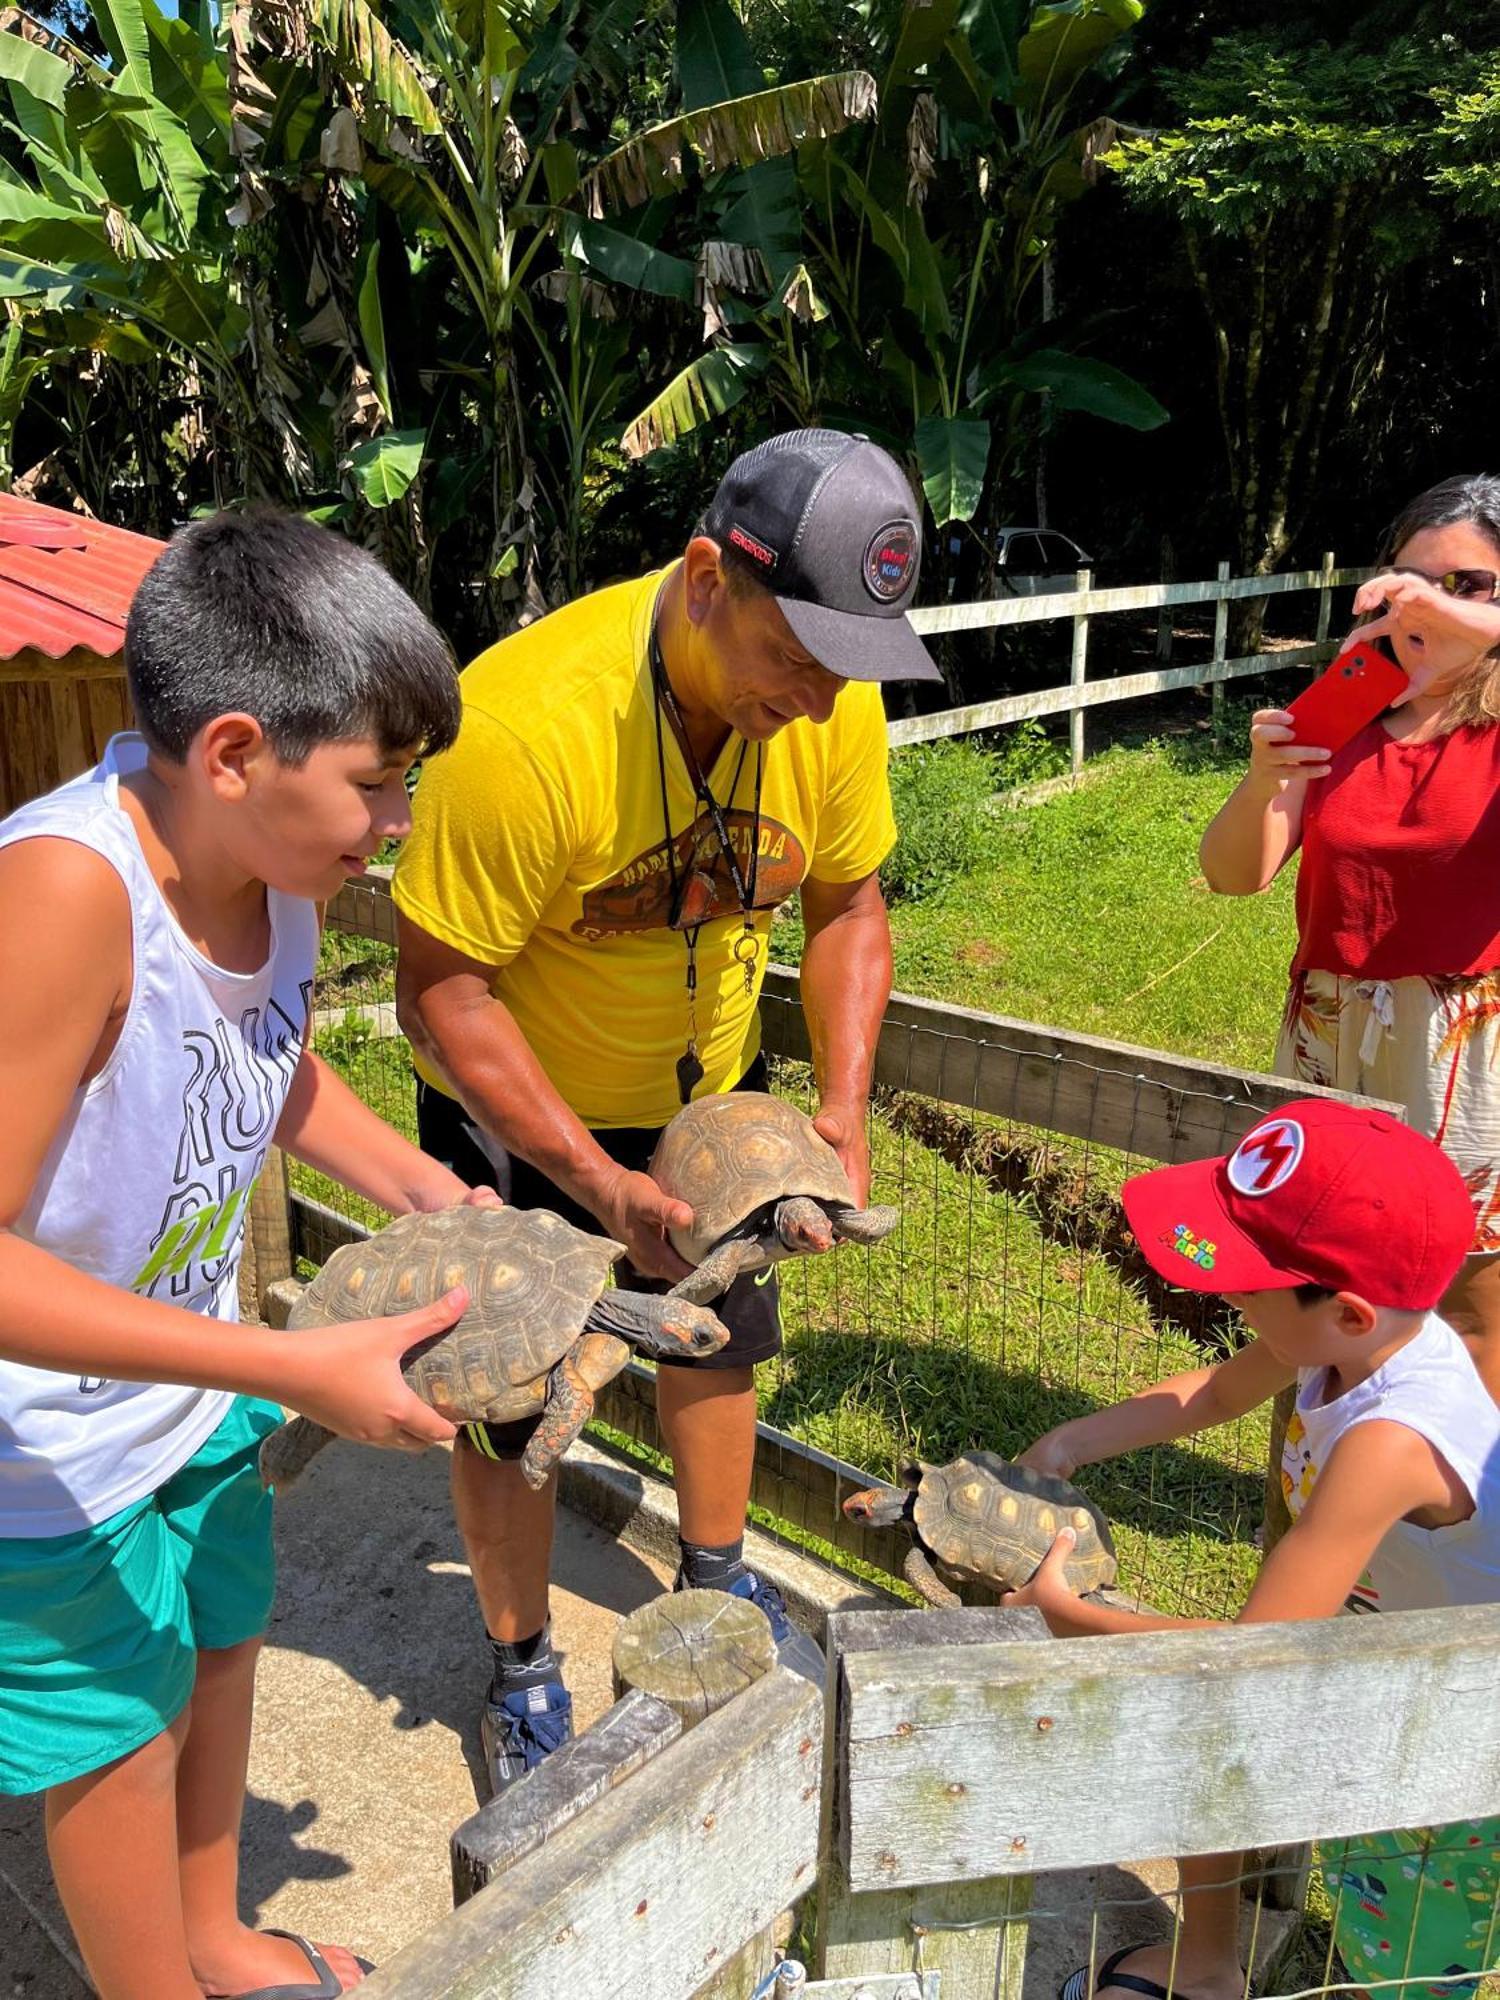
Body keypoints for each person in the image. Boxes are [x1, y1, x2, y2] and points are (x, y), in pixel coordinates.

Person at [392, 428, 941, 1792]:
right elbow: (440, 992)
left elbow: (849, 904)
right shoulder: (521, 728)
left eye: (846, 671)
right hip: (524, 1106)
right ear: (705, 576)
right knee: (512, 1404)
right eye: (794, 659)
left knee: (718, 1338)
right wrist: (593, 1184)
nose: (818, 704)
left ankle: (717, 1579)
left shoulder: (832, 704)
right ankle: (521, 1668)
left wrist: (844, 1105)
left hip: (706, 1098)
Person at [0, 510, 499, 2000]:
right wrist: (288, 1366)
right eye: (375, 784)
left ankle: (214, 1933)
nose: (396, 821)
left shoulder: (275, 880)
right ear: (233, 754)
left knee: (223, 1647)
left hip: (193, 1377)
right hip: (44, 1443)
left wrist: (416, 1181)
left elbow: (266, 1064)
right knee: (118, 1735)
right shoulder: (66, 898)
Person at [1008, 1099, 1500, 2000]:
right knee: (1219, 1736)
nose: (1223, 1291)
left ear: (1347, 1312)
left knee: (1405, 1935)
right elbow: (1218, 1392)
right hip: (1387, 1639)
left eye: (1245, 1278)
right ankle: (1203, 1975)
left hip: (1466, 1708)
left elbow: (1251, 1659)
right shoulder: (1359, 1339)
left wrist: (1069, 1617)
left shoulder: (1389, 1442)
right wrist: (1070, 1442)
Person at [1200, 474, 1500, 1396]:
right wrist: (1264, 776)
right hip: (1331, 1027)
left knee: (1471, 1291)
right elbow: (1233, 873)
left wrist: (1454, 621)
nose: (1421, 601)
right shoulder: (1350, 708)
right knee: (1319, 1266)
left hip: (1463, 1042)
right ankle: (1320, 1467)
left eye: (1465, 583)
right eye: (1405, 577)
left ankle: (1452, 1512)